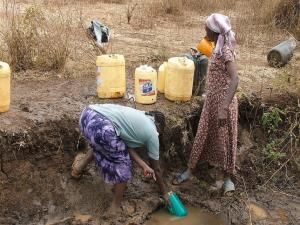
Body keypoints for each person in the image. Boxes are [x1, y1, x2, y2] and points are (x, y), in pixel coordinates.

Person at [172, 13, 239, 195]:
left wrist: (224, 108)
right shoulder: (218, 46)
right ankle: (190, 170)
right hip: (212, 102)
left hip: (224, 104)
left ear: (213, 31)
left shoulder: (225, 50)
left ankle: (227, 179)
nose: (204, 30)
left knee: (225, 141)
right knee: (203, 134)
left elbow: (235, 79)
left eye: (206, 28)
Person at [71, 104, 170, 212]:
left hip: (86, 117)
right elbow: (157, 169)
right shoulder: (153, 134)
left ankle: (78, 168)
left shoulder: (140, 117)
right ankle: (115, 207)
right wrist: (165, 193)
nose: (158, 135)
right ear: (159, 127)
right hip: (102, 127)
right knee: (123, 164)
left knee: (104, 143)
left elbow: (123, 144)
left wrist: (144, 166)